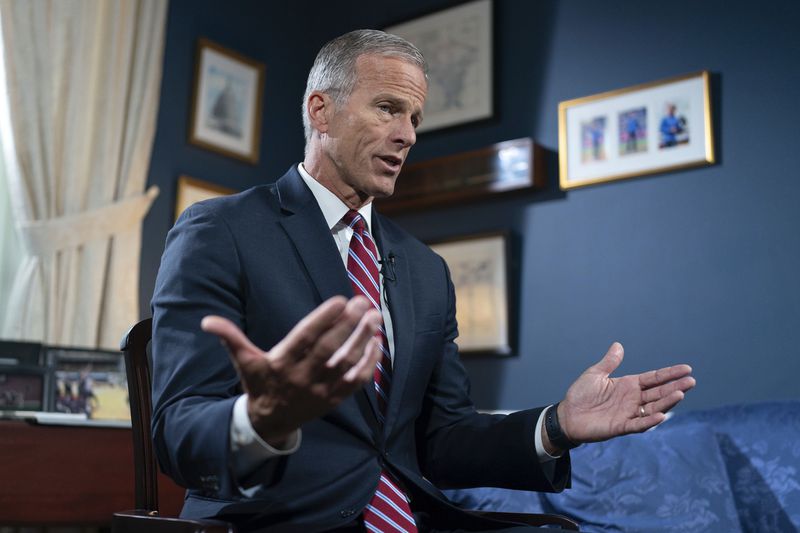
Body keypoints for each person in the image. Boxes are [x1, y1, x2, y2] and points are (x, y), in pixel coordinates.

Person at [151, 30, 695, 532]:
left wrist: (558, 425)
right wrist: (259, 418)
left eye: (414, 118)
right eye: (388, 108)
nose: (407, 135)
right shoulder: (221, 230)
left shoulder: (424, 270)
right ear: (321, 110)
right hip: (274, 519)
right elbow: (178, 432)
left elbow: (442, 439)